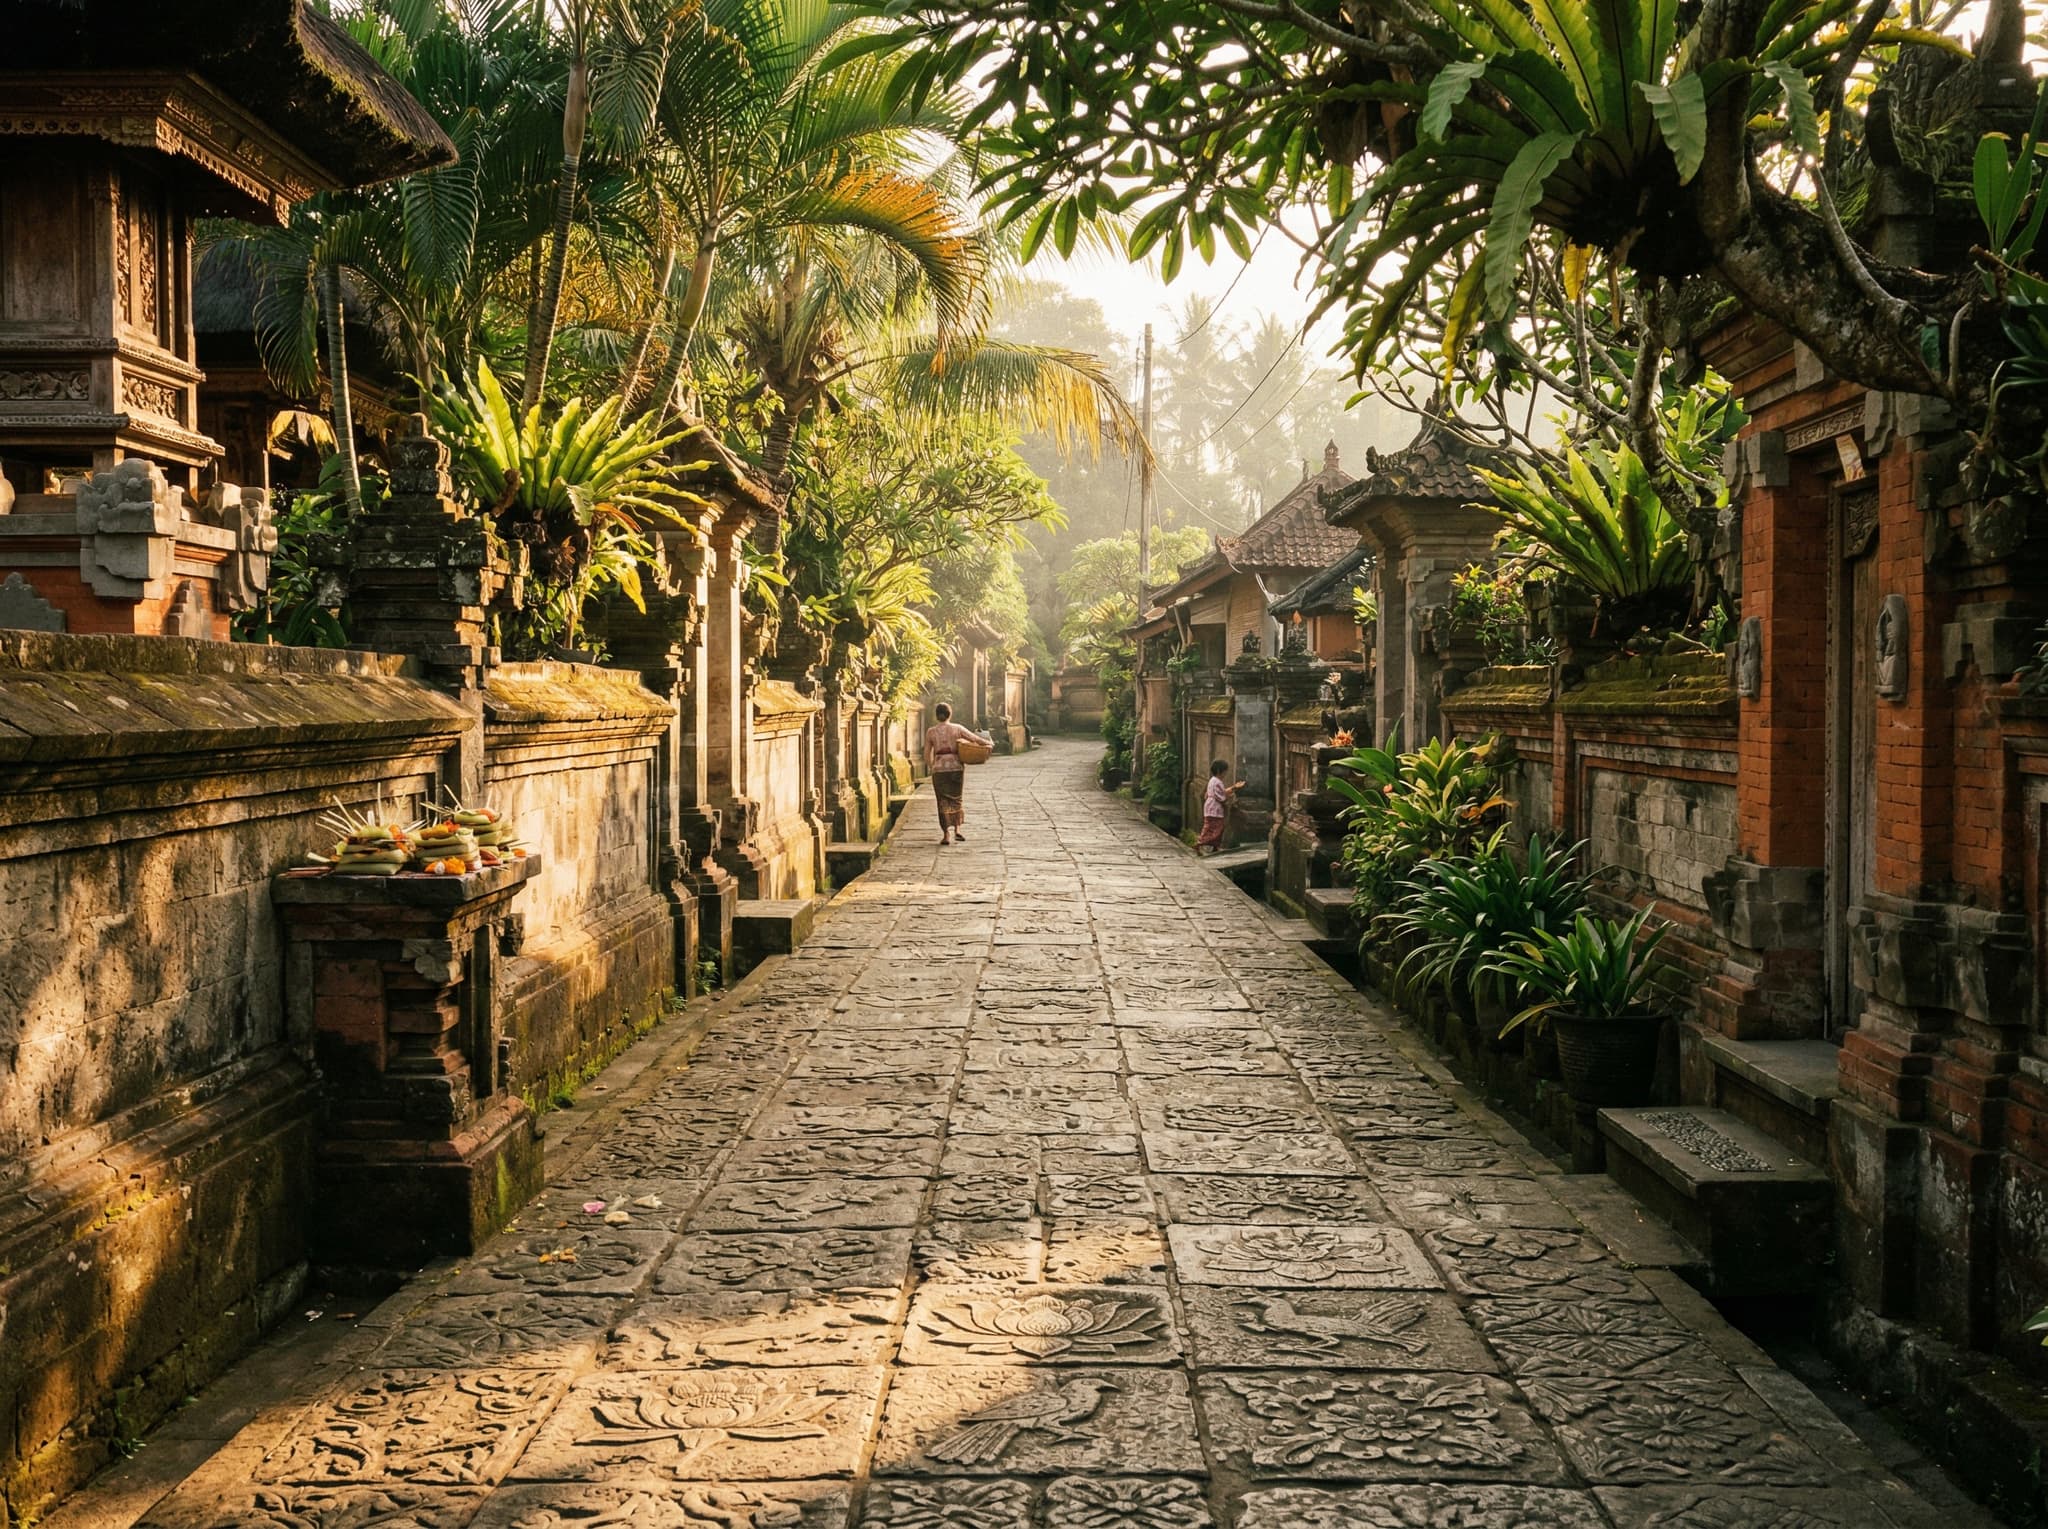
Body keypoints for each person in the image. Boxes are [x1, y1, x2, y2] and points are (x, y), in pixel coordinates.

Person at [924, 702, 992, 846]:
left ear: (937, 716)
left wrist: (932, 766)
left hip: (939, 770)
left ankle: (946, 834)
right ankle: (957, 829)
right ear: (950, 714)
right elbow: (974, 738)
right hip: (956, 767)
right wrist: (988, 744)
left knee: (942, 801)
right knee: (956, 799)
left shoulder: (931, 732)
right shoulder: (957, 728)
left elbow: (926, 754)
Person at [1197, 759, 1245, 854]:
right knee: (1215, 827)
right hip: (1214, 809)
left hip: (1211, 808)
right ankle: (1200, 843)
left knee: (1213, 827)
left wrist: (1234, 787)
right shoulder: (1217, 782)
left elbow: (1221, 792)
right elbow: (1220, 796)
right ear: (1219, 771)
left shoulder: (1213, 781)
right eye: (1225, 772)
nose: (1225, 774)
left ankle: (1213, 846)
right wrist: (1226, 800)